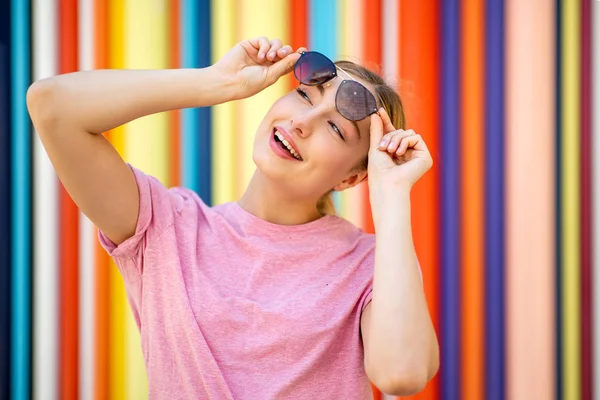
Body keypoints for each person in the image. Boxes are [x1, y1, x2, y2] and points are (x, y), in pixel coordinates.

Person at [27, 37, 439, 399]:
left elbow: (401, 373)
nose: (300, 122)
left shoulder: (370, 266)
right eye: (304, 96)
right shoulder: (167, 227)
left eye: (335, 129)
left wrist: (392, 195)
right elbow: (52, 105)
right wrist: (217, 82)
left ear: (352, 177)